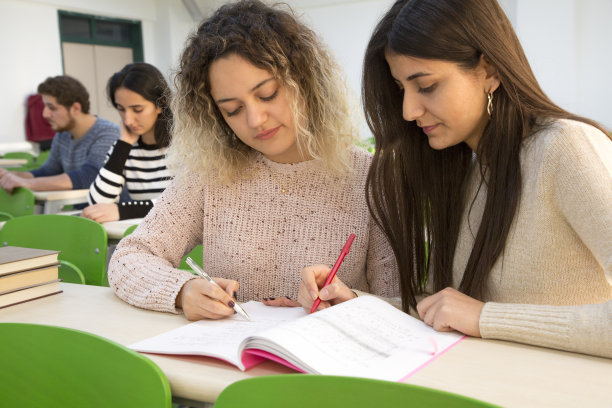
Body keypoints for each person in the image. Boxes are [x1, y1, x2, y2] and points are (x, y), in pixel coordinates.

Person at [339, 0, 610, 358]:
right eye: (401, 88)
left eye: (427, 85)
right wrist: (352, 302)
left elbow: (474, 315)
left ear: (490, 70)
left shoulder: (567, 148)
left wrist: (486, 318)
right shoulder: (463, 171)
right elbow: (445, 310)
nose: (408, 111)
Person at [107, 0, 399, 321]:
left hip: (326, 365)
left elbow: (399, 302)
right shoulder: (212, 174)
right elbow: (129, 258)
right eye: (232, 110)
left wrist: (351, 299)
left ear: (304, 81)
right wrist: (182, 290)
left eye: (268, 94)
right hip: (228, 363)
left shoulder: (371, 178)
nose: (256, 119)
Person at [82, 63, 173, 223]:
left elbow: (184, 205)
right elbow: (97, 205)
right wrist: (124, 144)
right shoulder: (125, 147)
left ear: (161, 104)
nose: (128, 120)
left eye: (137, 110)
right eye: (121, 109)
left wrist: (124, 210)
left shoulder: (187, 145)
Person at [0, 76, 119, 193]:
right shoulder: (63, 134)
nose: (45, 114)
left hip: (111, 211)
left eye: (52, 108)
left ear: (76, 109)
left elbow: (91, 175)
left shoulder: (107, 133)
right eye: (45, 106)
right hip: (81, 211)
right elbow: (47, 172)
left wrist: (26, 183)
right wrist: (13, 176)